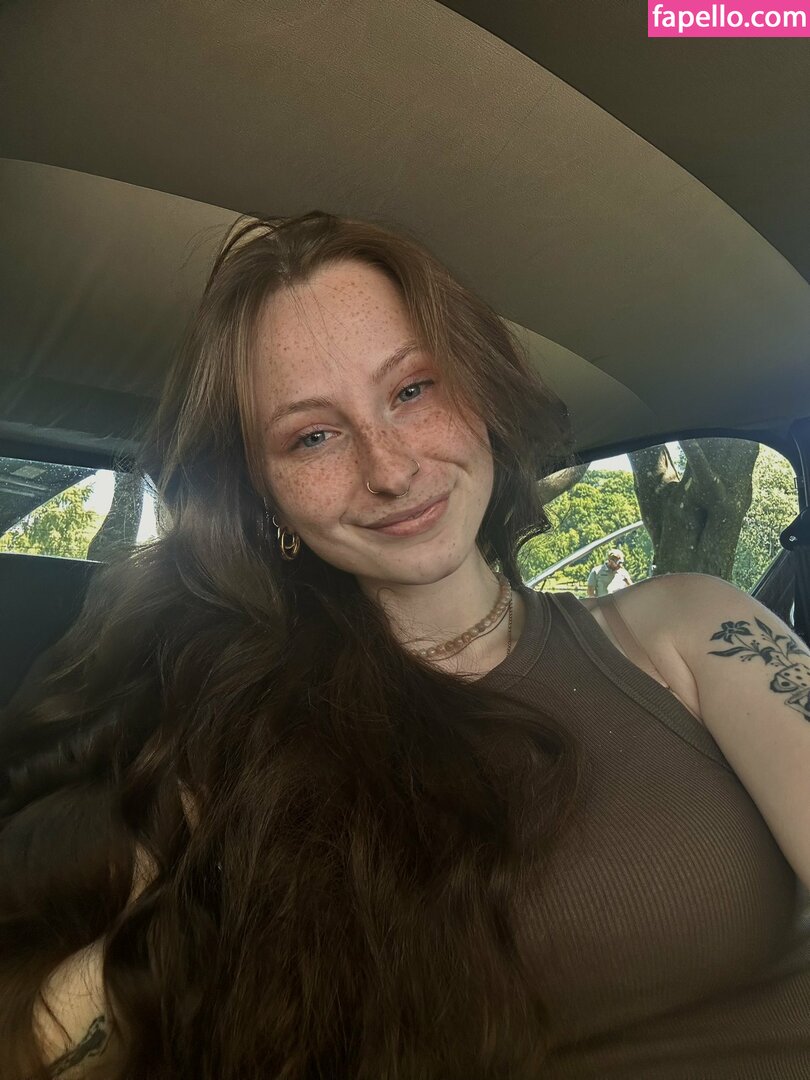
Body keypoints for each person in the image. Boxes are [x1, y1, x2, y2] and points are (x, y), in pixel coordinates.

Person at [0, 213, 807, 1080]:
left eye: (414, 389)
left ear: (482, 391)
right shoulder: (235, 740)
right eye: (313, 436)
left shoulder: (691, 625)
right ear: (265, 494)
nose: (389, 469)